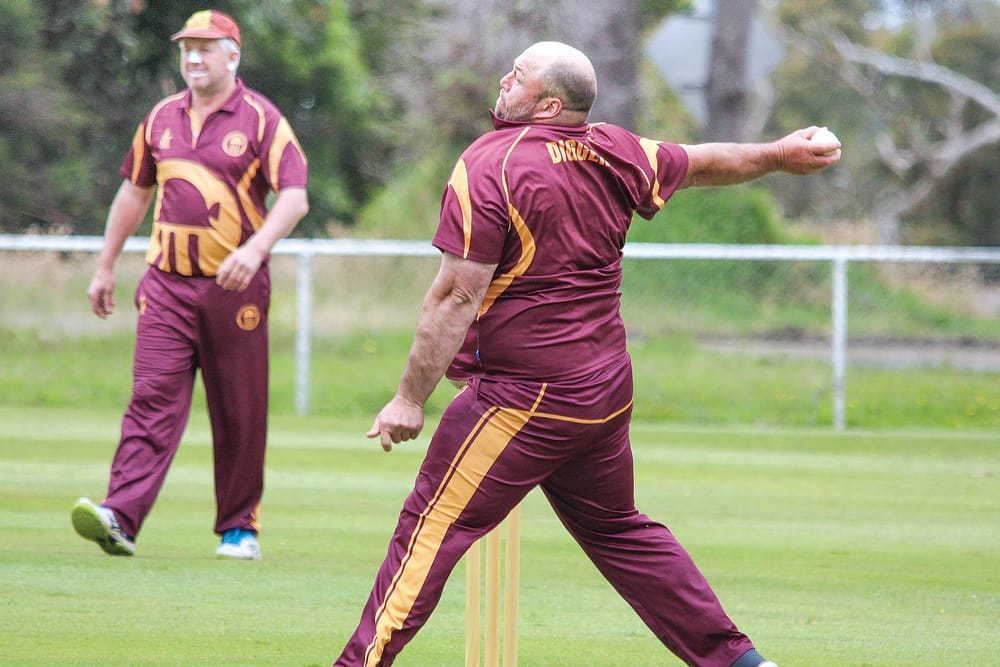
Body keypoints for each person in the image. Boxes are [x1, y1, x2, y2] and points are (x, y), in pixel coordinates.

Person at [334, 41, 841, 666]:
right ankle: (740, 662)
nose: (503, 80)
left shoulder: (488, 163)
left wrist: (409, 398)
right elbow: (706, 162)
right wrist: (782, 155)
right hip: (603, 389)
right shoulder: (617, 148)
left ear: (547, 103)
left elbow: (455, 294)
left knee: (430, 528)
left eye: (515, 77)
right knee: (618, 528)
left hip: (525, 396)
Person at [71, 9, 309, 561]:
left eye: (206, 47)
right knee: (149, 400)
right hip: (166, 286)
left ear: (233, 55)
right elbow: (134, 192)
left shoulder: (261, 118)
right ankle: (120, 518)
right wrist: (105, 265)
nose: (194, 58)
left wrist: (255, 250)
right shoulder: (160, 118)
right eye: (187, 49)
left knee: (239, 411)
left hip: (235, 289)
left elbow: (294, 196)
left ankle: (239, 529)